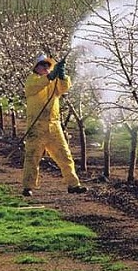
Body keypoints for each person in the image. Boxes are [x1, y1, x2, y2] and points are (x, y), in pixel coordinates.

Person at [21, 53, 88, 197]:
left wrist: (62, 75)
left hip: (54, 125)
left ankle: (73, 184)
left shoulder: (53, 82)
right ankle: (28, 187)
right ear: (36, 67)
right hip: (36, 126)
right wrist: (49, 77)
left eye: (48, 65)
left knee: (65, 155)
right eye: (42, 65)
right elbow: (35, 87)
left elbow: (64, 88)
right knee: (32, 157)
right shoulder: (31, 80)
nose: (46, 67)